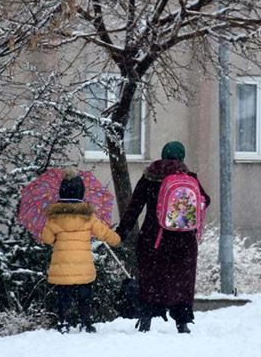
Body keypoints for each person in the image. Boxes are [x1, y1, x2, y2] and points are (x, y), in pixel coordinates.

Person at [117, 141, 211, 334]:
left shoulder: (150, 178)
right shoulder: (189, 178)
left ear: (163, 155)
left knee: (151, 279)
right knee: (181, 281)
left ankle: (146, 320)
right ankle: (182, 322)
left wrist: (121, 232)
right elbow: (206, 200)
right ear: (182, 157)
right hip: (184, 241)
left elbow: (135, 206)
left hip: (154, 238)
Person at [42, 170, 121, 333]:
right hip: (83, 268)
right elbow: (103, 232)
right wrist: (117, 239)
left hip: (62, 269)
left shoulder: (54, 217)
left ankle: (64, 322)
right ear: (81, 192)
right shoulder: (88, 216)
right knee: (85, 297)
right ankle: (86, 322)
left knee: (64, 297)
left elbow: (47, 239)